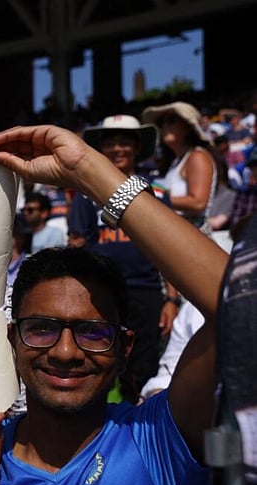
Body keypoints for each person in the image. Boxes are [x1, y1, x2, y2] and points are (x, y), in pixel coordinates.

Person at [0, 124, 226, 485]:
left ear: (125, 346)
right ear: (12, 339)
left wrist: (88, 171)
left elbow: (240, 305)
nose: (65, 352)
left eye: (92, 332)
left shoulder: (156, 442)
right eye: (42, 329)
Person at [71, 115, 180, 402]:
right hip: (99, 294)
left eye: (124, 143)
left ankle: (142, 433)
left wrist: (171, 300)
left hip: (145, 293)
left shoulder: (156, 193)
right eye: (111, 144)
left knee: (143, 367)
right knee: (99, 361)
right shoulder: (85, 194)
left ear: (136, 148)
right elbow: (77, 245)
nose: (118, 149)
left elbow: (167, 248)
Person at [143, 101, 217, 232]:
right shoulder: (176, 162)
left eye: (171, 120)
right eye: (161, 123)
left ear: (188, 126)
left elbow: (198, 202)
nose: (165, 126)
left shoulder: (197, 156)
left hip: (194, 236)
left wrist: (156, 198)